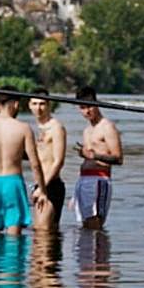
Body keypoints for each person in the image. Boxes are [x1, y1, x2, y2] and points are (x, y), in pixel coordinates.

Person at [0, 90, 49, 236]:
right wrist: (43, 190)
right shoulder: (23, 128)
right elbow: (35, 164)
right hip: (13, 183)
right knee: (14, 240)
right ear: (15, 104)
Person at [73, 86, 122, 230]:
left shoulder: (107, 127)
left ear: (97, 103)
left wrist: (94, 156)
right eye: (82, 108)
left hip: (99, 180)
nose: (87, 111)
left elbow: (118, 158)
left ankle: (99, 252)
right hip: (83, 181)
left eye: (89, 106)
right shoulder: (87, 131)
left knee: (94, 225)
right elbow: (88, 158)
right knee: (85, 228)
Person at [28, 89, 67, 230]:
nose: (38, 108)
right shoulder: (33, 129)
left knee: (43, 233)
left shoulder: (56, 128)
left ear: (49, 105)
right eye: (35, 104)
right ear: (29, 105)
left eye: (42, 104)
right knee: (39, 237)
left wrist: (42, 188)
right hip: (38, 185)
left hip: (51, 185)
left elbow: (59, 161)